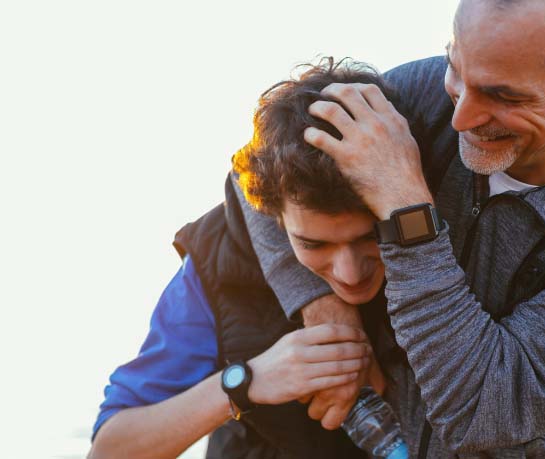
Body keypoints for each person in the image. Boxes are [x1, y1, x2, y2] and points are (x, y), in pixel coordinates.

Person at [239, 0, 545, 457]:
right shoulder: (423, 95)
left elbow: (480, 413)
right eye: (455, 67)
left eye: (502, 95)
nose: (460, 117)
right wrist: (327, 314)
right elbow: (262, 174)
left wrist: (405, 205)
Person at [88, 59, 400, 459]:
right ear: (273, 216)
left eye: (370, 237)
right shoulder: (216, 262)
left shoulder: (445, 223)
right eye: (313, 244)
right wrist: (245, 383)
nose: (350, 273)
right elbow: (109, 449)